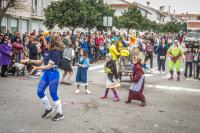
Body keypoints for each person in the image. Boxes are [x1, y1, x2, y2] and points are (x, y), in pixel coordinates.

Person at [21, 34, 65, 121]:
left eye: (45, 40)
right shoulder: (46, 50)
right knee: (39, 91)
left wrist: (36, 68)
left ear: (50, 42)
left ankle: (60, 113)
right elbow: (40, 61)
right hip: (46, 74)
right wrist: (29, 60)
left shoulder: (56, 52)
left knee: (53, 94)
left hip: (53, 74)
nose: (42, 42)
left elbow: (48, 66)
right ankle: (49, 109)